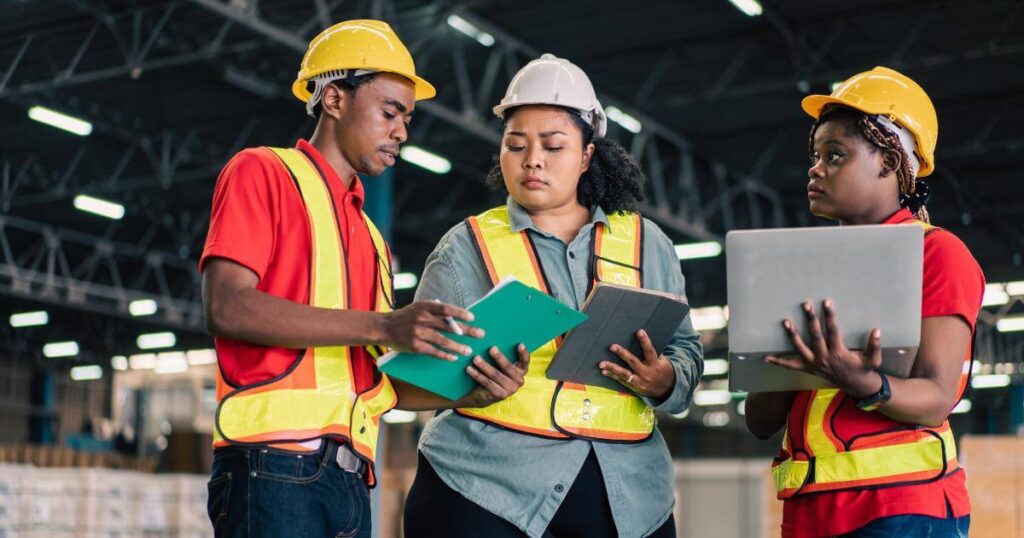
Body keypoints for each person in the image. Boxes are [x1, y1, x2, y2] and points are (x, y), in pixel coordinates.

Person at [200, 20, 527, 538]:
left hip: (351, 481)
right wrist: (385, 325)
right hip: (272, 468)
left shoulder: (372, 238)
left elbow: (374, 383)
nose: (402, 131)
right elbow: (228, 307)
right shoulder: (263, 172)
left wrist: (468, 391)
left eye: (407, 118)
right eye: (390, 111)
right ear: (333, 99)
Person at [402, 54, 704, 538]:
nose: (532, 160)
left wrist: (663, 378)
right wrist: (471, 387)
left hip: (626, 497)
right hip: (484, 490)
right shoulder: (466, 246)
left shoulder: (649, 244)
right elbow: (412, 377)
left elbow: (686, 352)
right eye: (515, 145)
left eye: (553, 145)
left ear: (587, 154)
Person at [744, 66, 984, 537]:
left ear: (890, 164)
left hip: (903, 510)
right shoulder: (798, 268)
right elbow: (759, 420)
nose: (816, 168)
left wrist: (862, 380)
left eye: (835, 155)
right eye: (815, 155)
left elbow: (936, 397)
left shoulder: (936, 253)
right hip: (810, 514)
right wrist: (791, 361)